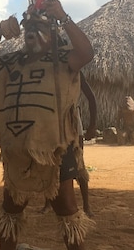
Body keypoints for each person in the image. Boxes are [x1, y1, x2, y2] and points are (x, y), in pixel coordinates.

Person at [0, 0, 95, 250]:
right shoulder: (10, 62)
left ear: (51, 33)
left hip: (56, 150)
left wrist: (64, 17)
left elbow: (86, 53)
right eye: (28, 28)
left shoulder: (63, 59)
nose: (30, 33)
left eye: (38, 28)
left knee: (66, 208)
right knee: (11, 209)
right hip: (20, 150)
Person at [40, 71, 97, 217]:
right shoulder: (44, 68)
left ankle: (86, 205)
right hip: (48, 120)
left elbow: (91, 98)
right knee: (49, 162)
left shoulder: (74, 71)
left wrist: (92, 125)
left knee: (78, 162)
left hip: (70, 120)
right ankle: (48, 202)